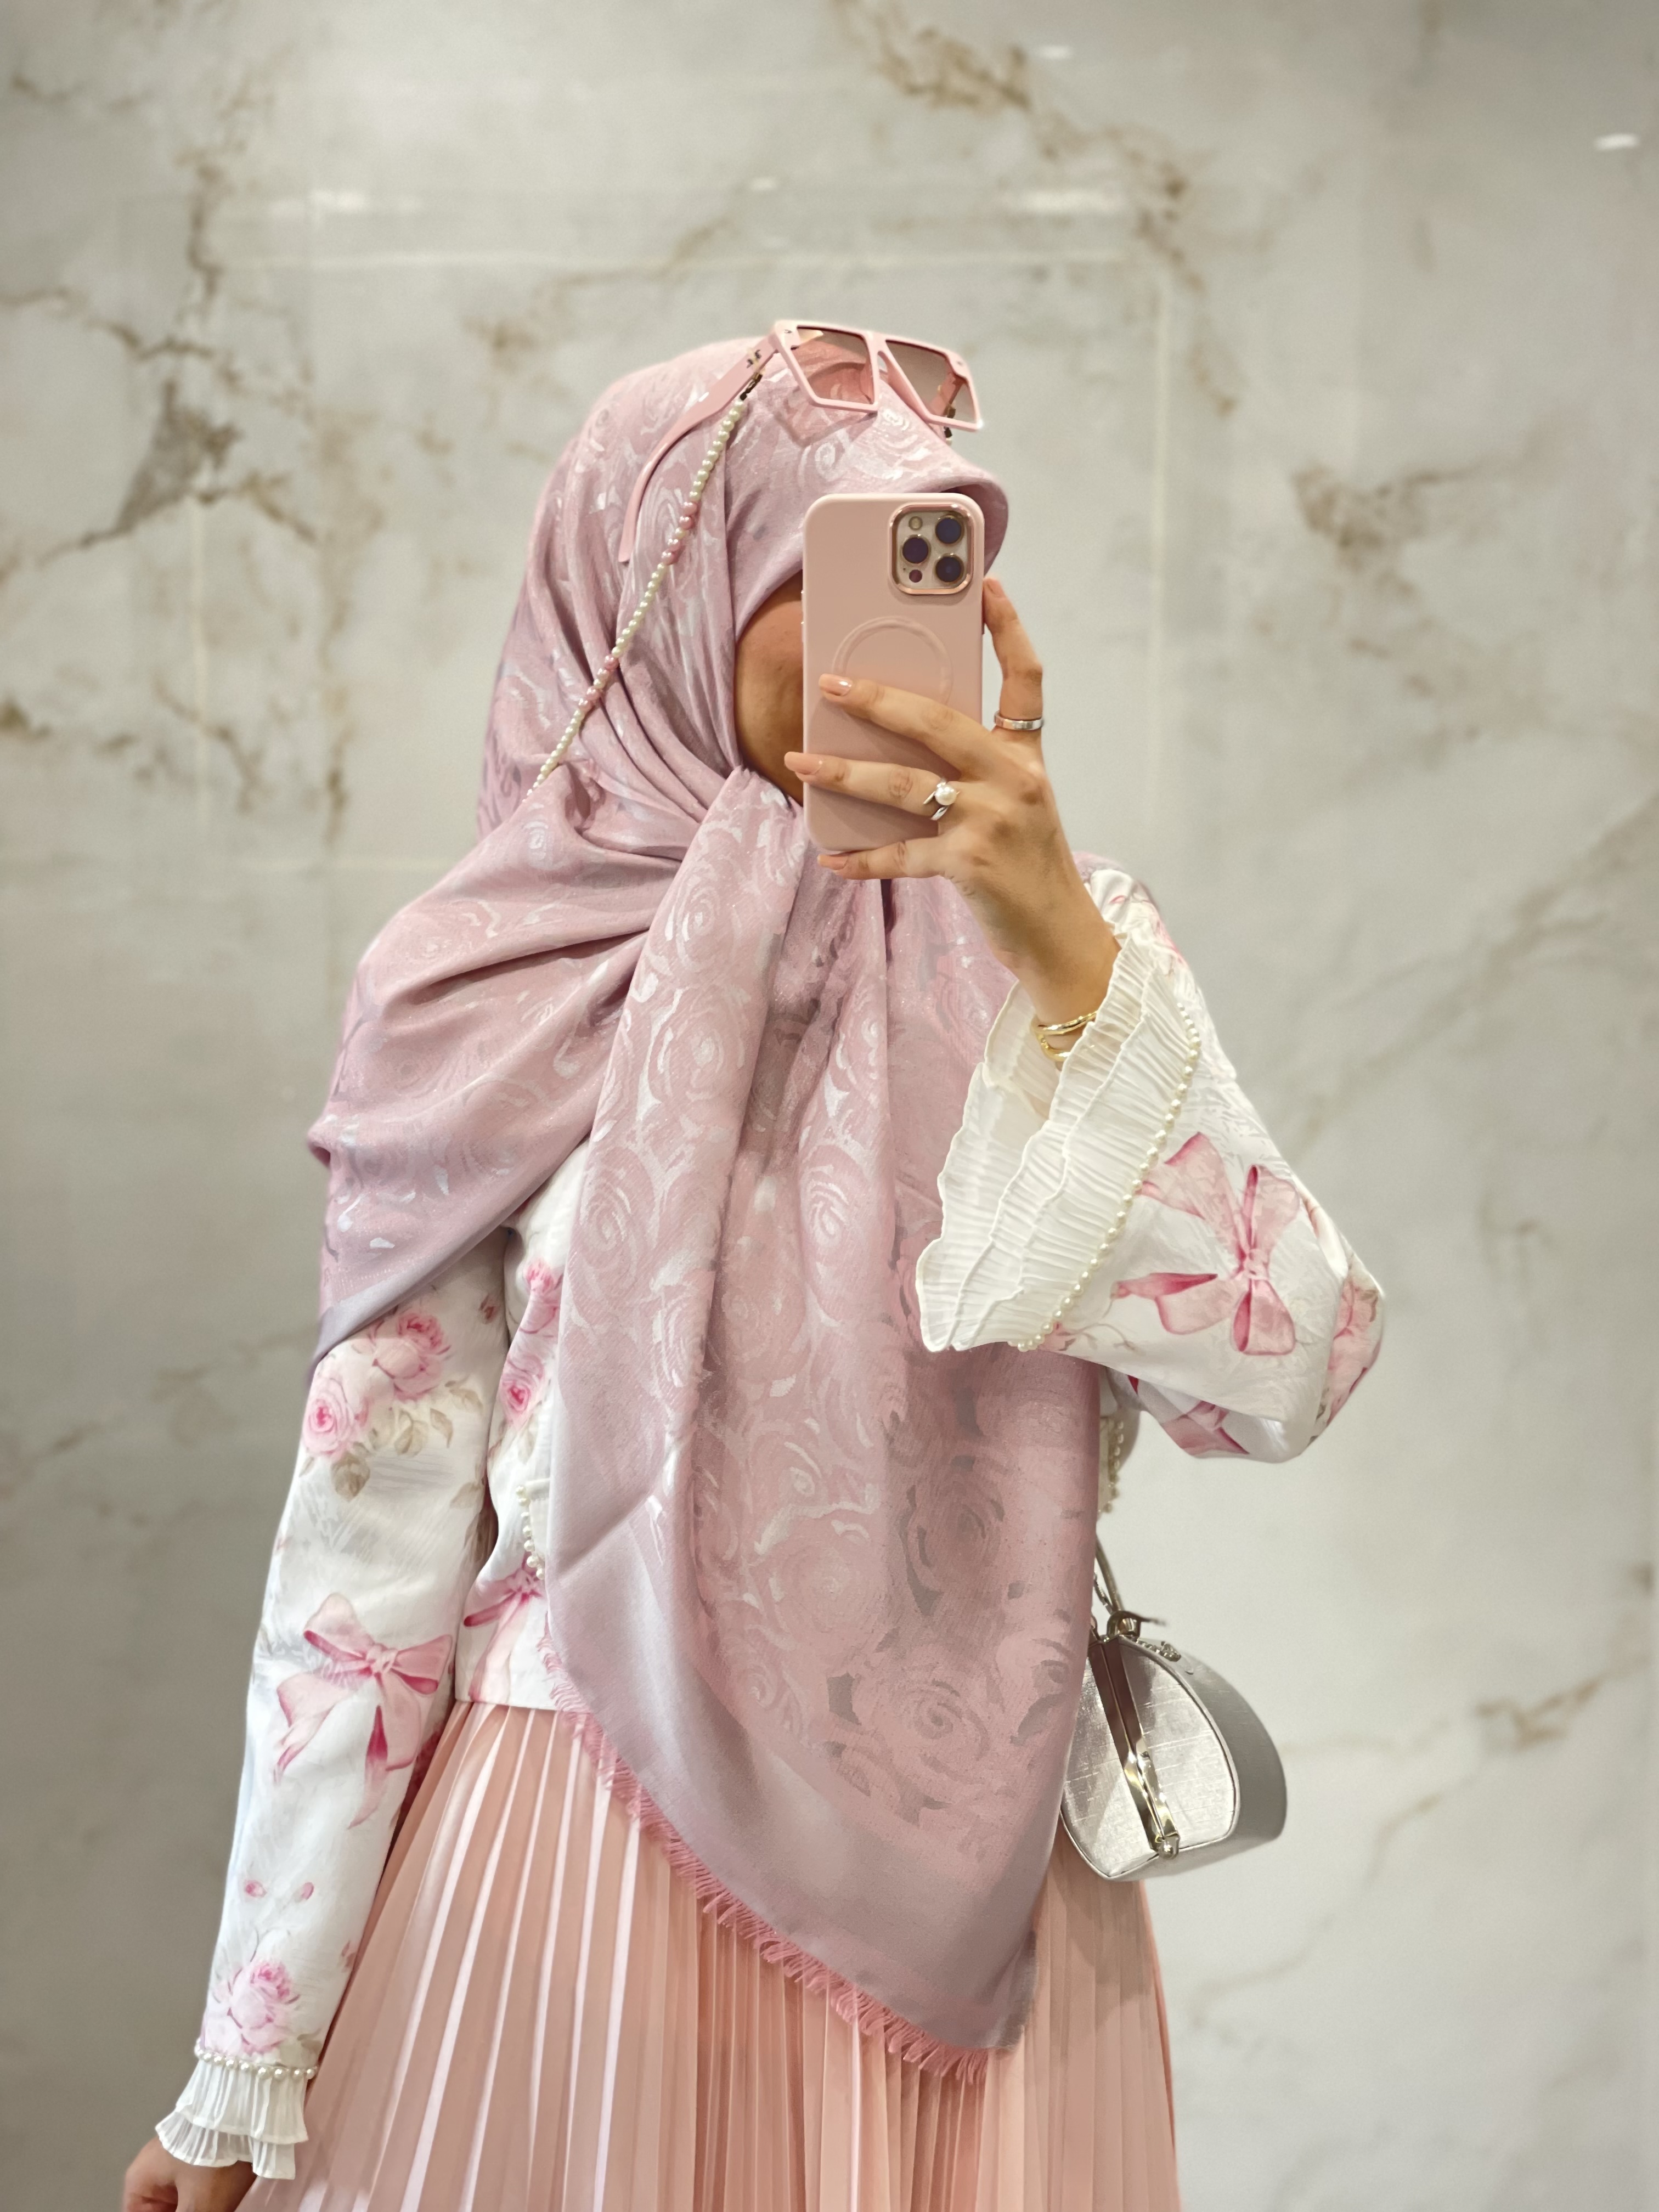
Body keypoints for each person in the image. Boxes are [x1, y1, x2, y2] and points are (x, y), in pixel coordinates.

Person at [122, 328, 1382, 2212]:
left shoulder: (1067, 962)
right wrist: (251, 2052)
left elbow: (1287, 1370)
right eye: (822, 569)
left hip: (983, 1913)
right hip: (584, 1880)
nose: (891, 645)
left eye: (935, 573)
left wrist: (1056, 946)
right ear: (658, 599)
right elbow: (365, 1562)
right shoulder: (488, 990)